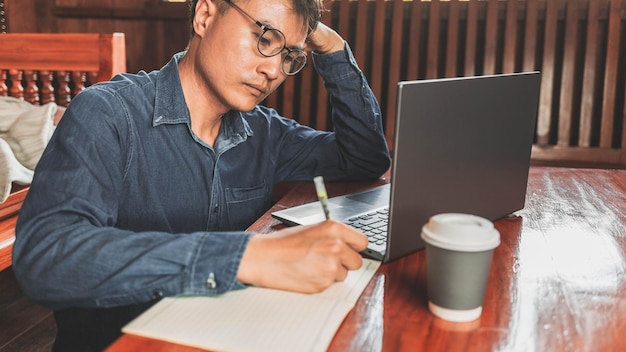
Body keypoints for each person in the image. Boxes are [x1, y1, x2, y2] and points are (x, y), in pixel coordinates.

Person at [12, 0, 390, 350]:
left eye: (290, 54)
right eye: (265, 38)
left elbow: (364, 158)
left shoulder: (265, 133)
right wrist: (246, 257)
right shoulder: (107, 113)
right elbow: (46, 258)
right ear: (205, 15)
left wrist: (333, 48)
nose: (274, 69)